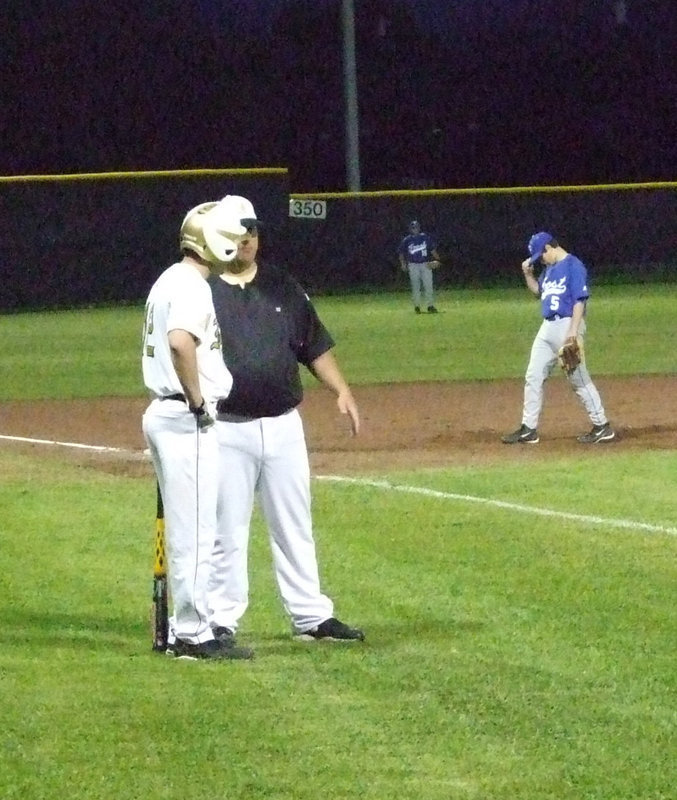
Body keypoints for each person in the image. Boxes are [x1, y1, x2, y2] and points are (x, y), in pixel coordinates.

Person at [206, 194, 365, 643]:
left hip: (282, 426)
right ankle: (220, 619)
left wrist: (341, 389)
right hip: (226, 427)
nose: (248, 239)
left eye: (252, 231)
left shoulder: (283, 286)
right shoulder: (203, 290)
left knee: (295, 524)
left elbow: (312, 345)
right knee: (227, 531)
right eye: (239, 232)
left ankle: (311, 616)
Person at [141, 200, 254, 660]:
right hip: (185, 419)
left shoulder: (169, 278)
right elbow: (179, 342)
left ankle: (184, 629)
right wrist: (197, 401)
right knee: (196, 532)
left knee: (190, 529)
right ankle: (192, 633)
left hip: (167, 417)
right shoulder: (191, 286)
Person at [502, 231, 615, 445]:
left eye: (541, 255)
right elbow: (539, 292)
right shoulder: (549, 270)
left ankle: (602, 426)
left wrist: (572, 332)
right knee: (533, 376)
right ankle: (529, 429)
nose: (541, 260)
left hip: (567, 325)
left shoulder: (574, 265)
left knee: (578, 379)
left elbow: (579, 301)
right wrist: (528, 274)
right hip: (547, 328)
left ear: (549, 248)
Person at [397, 219, 441, 314]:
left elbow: (432, 250)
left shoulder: (425, 237)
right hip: (413, 265)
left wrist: (438, 259)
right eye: (413, 228)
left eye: (416, 227)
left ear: (419, 228)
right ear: (410, 229)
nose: (415, 229)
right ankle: (417, 306)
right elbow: (401, 253)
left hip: (425, 264)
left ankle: (430, 306)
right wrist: (403, 264)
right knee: (416, 286)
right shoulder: (407, 240)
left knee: (428, 285)